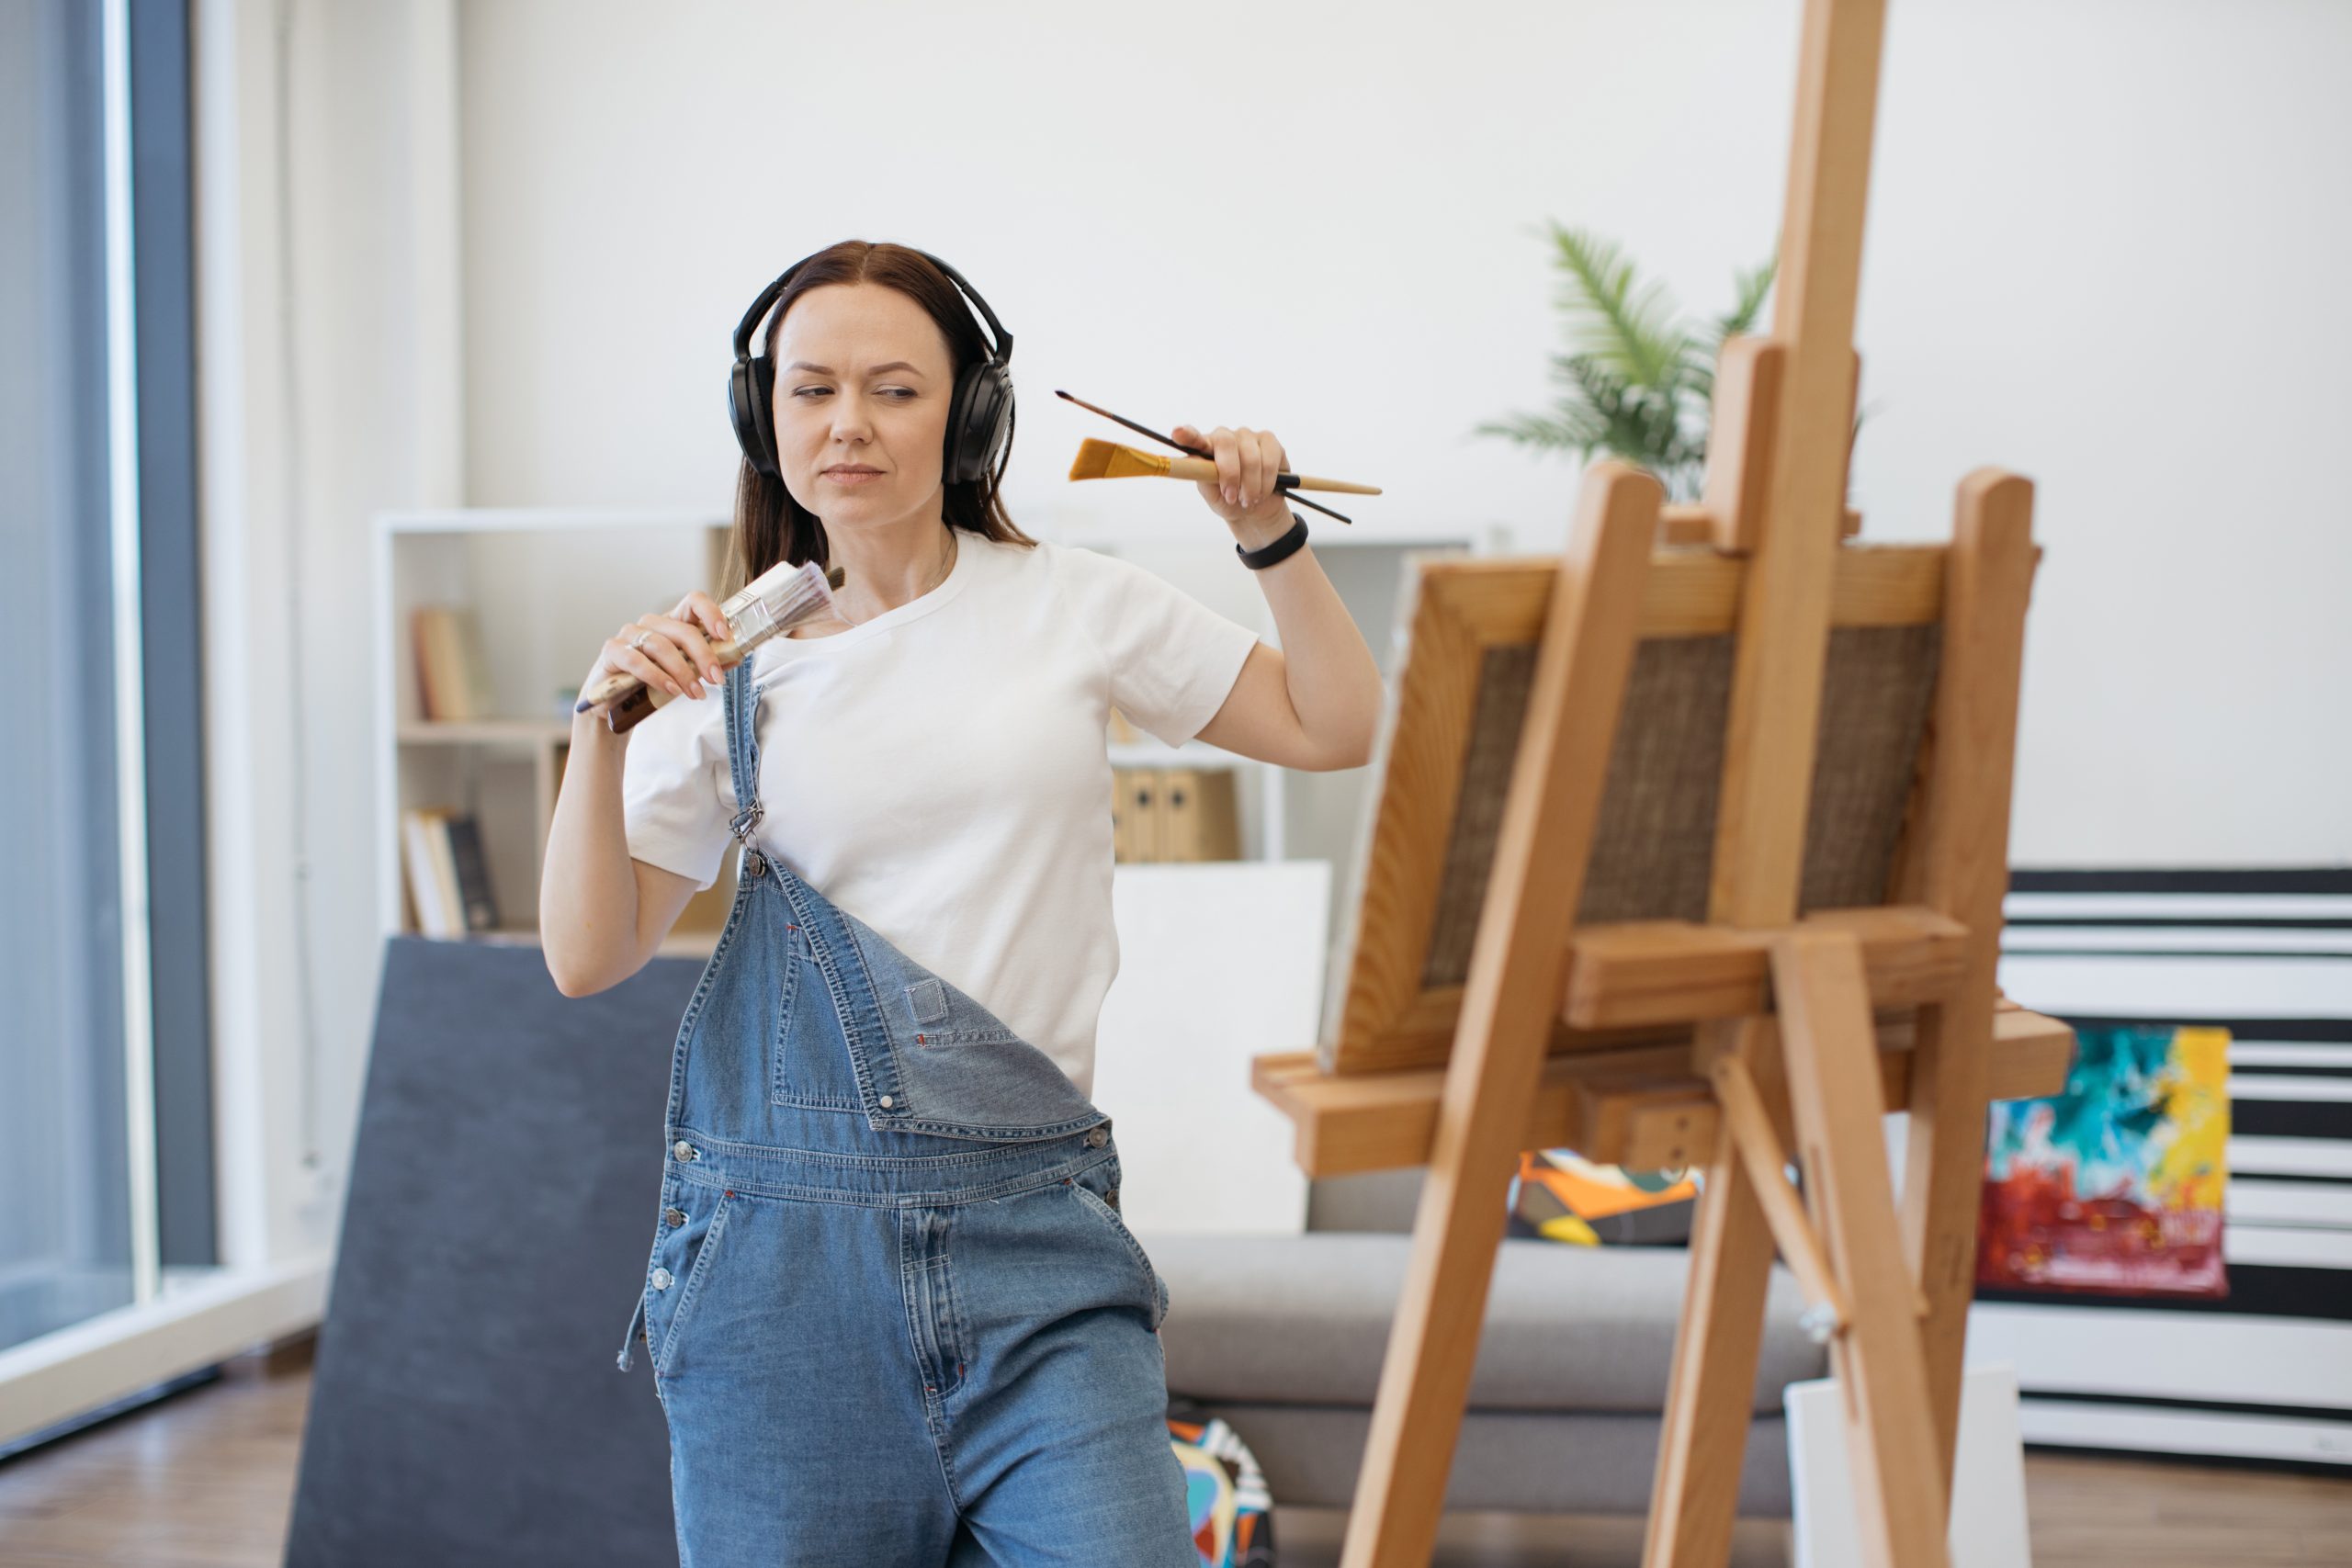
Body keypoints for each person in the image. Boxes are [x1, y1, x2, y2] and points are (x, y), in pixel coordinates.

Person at [539, 239, 1382, 1565]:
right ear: (765, 416)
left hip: (1041, 1248)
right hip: (782, 1290)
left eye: (894, 389)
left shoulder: (1076, 605)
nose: (848, 426)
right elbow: (587, 957)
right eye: (811, 390)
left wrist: (1265, 536)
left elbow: (1334, 725)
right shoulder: (728, 678)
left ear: (969, 415)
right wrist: (599, 726)